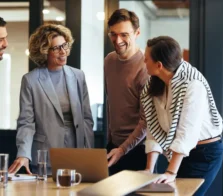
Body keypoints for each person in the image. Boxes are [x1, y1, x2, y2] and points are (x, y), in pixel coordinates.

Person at [141, 36, 223, 196]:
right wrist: (149, 169)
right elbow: (153, 127)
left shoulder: (193, 84)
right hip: (181, 153)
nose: (144, 62)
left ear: (159, 65)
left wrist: (171, 173)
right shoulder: (155, 84)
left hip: (205, 153)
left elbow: (187, 133)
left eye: (146, 59)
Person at [8, 24, 94, 174]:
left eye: (64, 46)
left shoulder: (78, 76)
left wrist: (89, 153)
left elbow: (87, 119)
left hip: (77, 154)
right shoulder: (31, 80)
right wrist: (23, 153)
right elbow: (26, 122)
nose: (63, 52)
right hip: (45, 155)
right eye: (56, 48)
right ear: (45, 51)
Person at [104, 9, 149, 175]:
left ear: (137, 33)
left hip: (138, 150)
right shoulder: (109, 60)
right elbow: (112, 102)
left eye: (124, 34)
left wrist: (123, 149)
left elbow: (146, 121)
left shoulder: (145, 67)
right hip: (113, 146)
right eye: (113, 34)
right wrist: (111, 143)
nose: (118, 40)